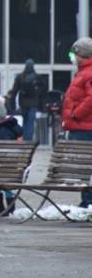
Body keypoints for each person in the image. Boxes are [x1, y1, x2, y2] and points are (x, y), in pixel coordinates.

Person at [62, 37, 92, 208]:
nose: (73, 57)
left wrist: (75, 115)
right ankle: (86, 200)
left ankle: (88, 201)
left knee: (86, 165)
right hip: (80, 127)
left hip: (85, 128)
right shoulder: (82, 72)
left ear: (82, 54)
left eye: (75, 53)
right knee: (84, 165)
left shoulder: (88, 73)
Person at [0, 95, 22, 215]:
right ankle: (3, 206)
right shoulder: (6, 127)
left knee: (0, 182)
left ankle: (7, 207)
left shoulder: (3, 130)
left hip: (4, 164)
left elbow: (3, 149)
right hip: (8, 164)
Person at [8, 59, 43, 141]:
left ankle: (25, 140)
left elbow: (14, 91)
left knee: (25, 122)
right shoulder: (37, 77)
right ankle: (28, 140)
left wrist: (12, 105)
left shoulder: (20, 77)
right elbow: (44, 88)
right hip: (33, 104)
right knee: (30, 123)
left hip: (23, 103)